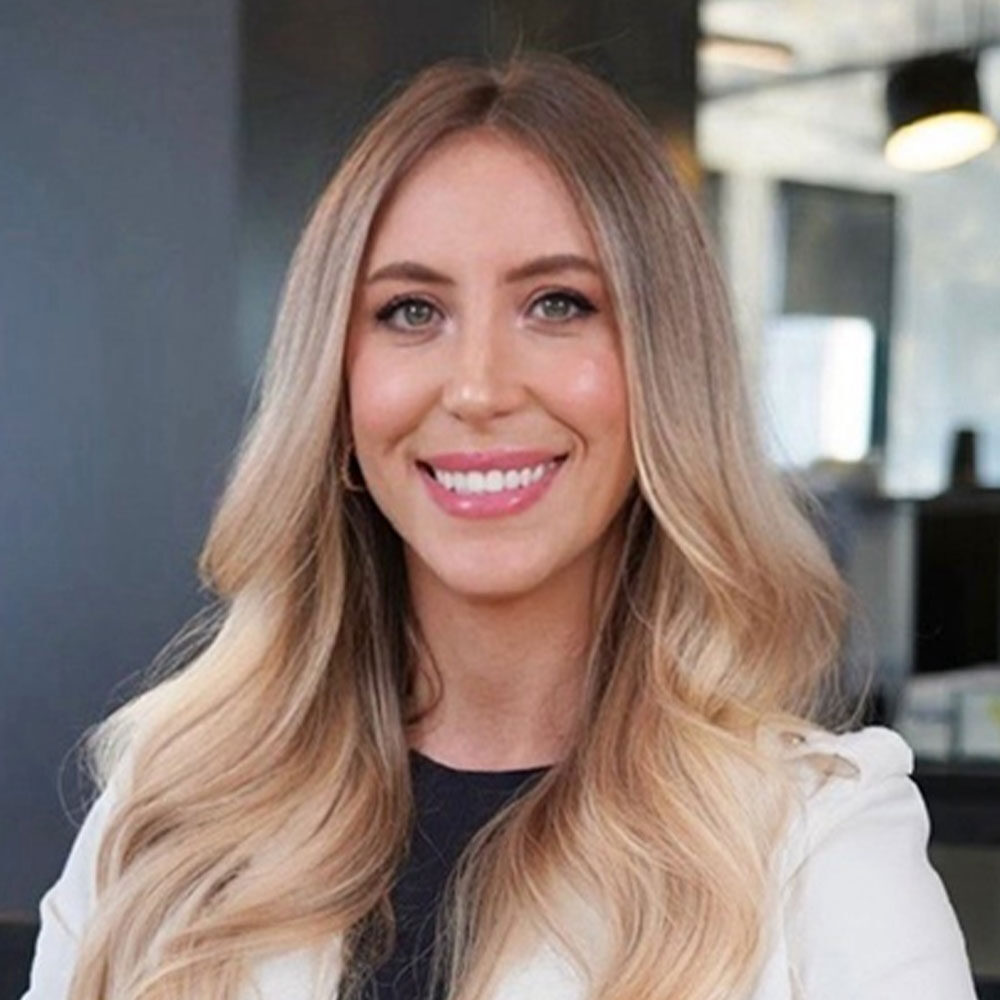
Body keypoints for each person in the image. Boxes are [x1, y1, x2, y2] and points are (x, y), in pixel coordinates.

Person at [23, 50, 976, 1000]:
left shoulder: (822, 848)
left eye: (557, 304)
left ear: (664, 376)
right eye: (410, 310)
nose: (477, 388)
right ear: (338, 392)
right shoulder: (170, 806)